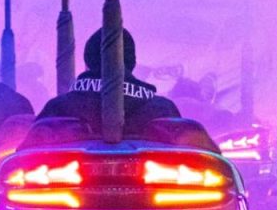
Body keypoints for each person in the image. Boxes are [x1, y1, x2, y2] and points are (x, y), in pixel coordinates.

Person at [36, 28, 182, 134]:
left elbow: (25, 161)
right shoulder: (163, 110)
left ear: (88, 62)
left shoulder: (58, 108)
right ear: (130, 63)